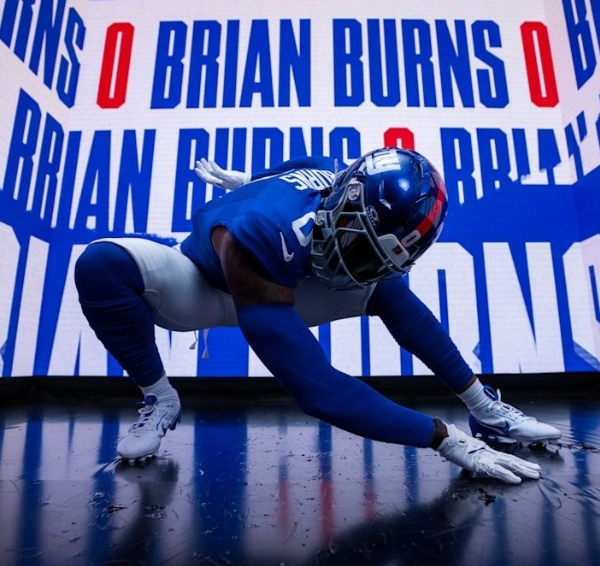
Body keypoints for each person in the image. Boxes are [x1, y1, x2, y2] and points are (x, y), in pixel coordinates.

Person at [74, 147, 560, 484]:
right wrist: (443, 439)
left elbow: (295, 170)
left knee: (389, 289)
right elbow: (318, 389)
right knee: (101, 264)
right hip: (207, 282)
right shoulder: (261, 233)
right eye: (358, 245)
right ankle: (160, 399)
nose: (360, 265)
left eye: (378, 254)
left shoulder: (335, 172)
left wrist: (247, 181)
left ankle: (486, 408)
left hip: (295, 273)